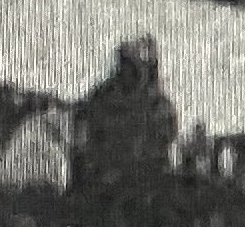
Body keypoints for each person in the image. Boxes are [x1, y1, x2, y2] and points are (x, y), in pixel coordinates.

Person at [73, 35, 177, 205]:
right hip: (105, 180)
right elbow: (82, 128)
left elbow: (165, 140)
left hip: (145, 183)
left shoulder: (158, 104)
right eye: (128, 66)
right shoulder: (103, 97)